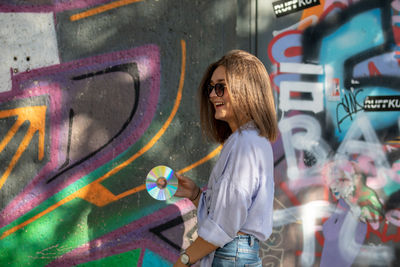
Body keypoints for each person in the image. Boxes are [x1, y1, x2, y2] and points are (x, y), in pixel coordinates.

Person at [173, 50, 278, 267]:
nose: (212, 95)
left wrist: (183, 260)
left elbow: (223, 225)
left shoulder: (244, 143)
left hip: (231, 254)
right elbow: (232, 212)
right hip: (237, 253)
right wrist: (195, 195)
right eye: (211, 87)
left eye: (221, 87)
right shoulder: (252, 139)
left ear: (246, 89)